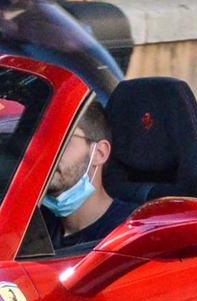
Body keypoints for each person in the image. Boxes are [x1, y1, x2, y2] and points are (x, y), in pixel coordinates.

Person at [41, 99, 132, 252]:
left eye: (63, 140)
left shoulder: (127, 233)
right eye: (44, 141)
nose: (49, 153)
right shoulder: (34, 227)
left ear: (99, 153)